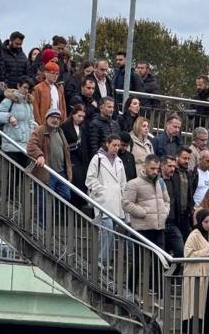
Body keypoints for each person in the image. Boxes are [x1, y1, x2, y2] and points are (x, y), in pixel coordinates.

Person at [122, 154, 170, 295]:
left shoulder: (160, 183)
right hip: (142, 228)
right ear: (145, 167)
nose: (155, 171)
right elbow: (126, 203)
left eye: (157, 168)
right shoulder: (134, 184)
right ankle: (131, 288)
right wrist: (143, 213)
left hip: (159, 227)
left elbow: (167, 200)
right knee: (138, 260)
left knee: (159, 259)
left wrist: (164, 212)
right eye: (152, 168)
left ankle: (157, 289)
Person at [85, 133, 126, 269]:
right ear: (107, 144)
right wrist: (101, 190)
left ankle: (105, 260)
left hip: (116, 202)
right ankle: (100, 259)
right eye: (114, 145)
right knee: (106, 229)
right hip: (103, 201)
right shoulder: (98, 159)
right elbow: (90, 179)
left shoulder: (119, 162)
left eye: (118, 146)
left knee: (112, 231)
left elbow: (123, 183)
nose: (116, 148)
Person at [26, 107, 72, 201]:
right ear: (47, 118)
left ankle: (54, 215)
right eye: (52, 117)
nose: (55, 120)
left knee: (66, 196)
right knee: (44, 202)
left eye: (57, 118)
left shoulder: (60, 131)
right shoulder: (40, 130)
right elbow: (31, 145)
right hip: (47, 173)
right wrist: (39, 155)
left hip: (61, 172)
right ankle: (46, 216)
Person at [0, 76, 36, 166]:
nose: (27, 90)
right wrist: (9, 117)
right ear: (18, 86)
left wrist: (34, 128)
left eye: (29, 88)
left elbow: (31, 120)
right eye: (25, 87)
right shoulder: (9, 100)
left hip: (25, 144)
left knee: (22, 173)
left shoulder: (28, 102)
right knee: (12, 174)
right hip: (12, 143)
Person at [61, 104, 90, 205]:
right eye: (79, 116)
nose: (81, 119)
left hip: (82, 162)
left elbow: (86, 146)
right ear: (73, 114)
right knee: (74, 186)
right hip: (72, 160)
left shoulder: (84, 128)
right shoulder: (64, 127)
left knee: (82, 187)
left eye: (83, 116)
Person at [161, 154, 185, 258]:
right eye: (170, 166)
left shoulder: (175, 180)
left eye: (174, 166)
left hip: (173, 222)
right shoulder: (157, 181)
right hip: (160, 223)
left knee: (180, 250)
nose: (172, 169)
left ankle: (174, 273)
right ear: (162, 166)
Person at [172, 147, 196, 240]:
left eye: (188, 159)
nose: (187, 161)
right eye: (184, 158)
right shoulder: (172, 173)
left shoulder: (188, 173)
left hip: (185, 214)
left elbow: (190, 192)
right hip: (174, 214)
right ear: (177, 157)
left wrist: (191, 207)